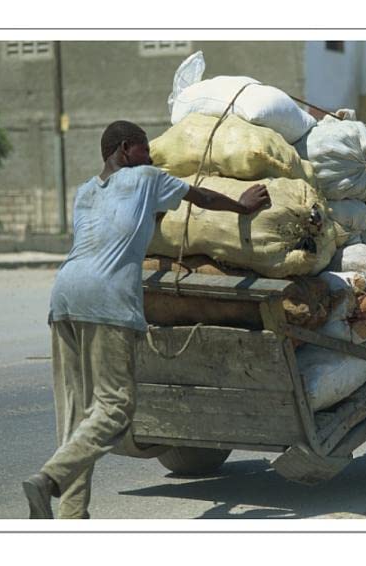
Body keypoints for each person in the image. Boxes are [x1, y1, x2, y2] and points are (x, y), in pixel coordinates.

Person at [21, 120, 271, 519]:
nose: (152, 158)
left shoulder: (85, 192)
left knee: (75, 415)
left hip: (64, 296)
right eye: (144, 150)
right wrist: (242, 206)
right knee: (116, 409)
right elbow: (203, 196)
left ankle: (71, 517)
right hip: (107, 300)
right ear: (125, 149)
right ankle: (49, 478)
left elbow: (124, 226)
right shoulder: (147, 178)